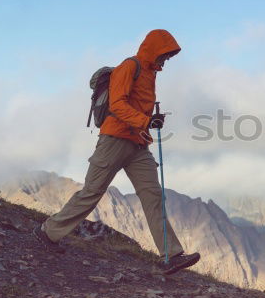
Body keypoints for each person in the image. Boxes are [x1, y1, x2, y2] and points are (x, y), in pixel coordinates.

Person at [33, 29, 201, 275]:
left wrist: (151, 121)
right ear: (153, 49)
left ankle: (172, 255)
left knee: (153, 195)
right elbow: (118, 104)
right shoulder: (129, 66)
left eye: (169, 56)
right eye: (165, 55)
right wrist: (145, 121)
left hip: (138, 144)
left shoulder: (150, 74)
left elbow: (134, 108)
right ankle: (47, 232)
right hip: (114, 140)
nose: (166, 60)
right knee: (92, 192)